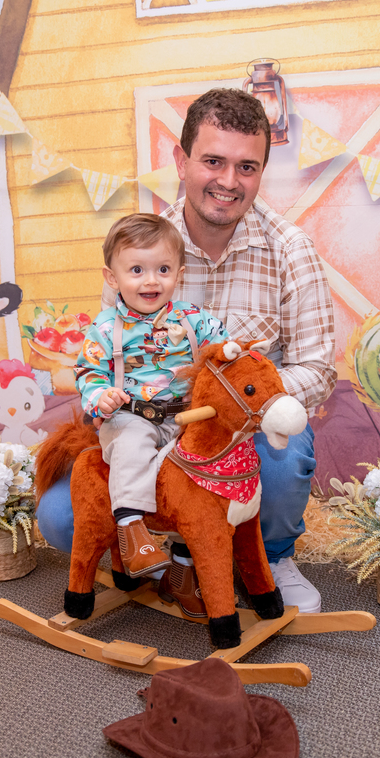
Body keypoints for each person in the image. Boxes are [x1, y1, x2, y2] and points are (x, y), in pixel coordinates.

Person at [37, 88, 337, 613]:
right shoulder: (140, 247)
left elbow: (317, 369)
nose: (229, 181)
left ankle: (271, 556)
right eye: (213, 161)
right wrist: (105, 397)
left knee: (285, 453)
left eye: (247, 167)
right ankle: (170, 552)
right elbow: (109, 354)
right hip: (147, 419)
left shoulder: (291, 249)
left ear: (262, 172)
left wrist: (239, 402)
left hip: (239, 428)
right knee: (62, 520)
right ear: (181, 161)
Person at [75, 213, 228, 604]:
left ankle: (182, 566)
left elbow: (221, 349)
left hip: (183, 418)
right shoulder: (105, 328)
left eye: (163, 269)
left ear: (179, 273)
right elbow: (89, 370)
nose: (151, 281)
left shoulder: (194, 320)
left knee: (194, 478)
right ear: (112, 278)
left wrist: (230, 353)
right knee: (129, 446)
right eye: (136, 270)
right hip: (131, 415)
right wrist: (101, 396)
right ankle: (132, 531)